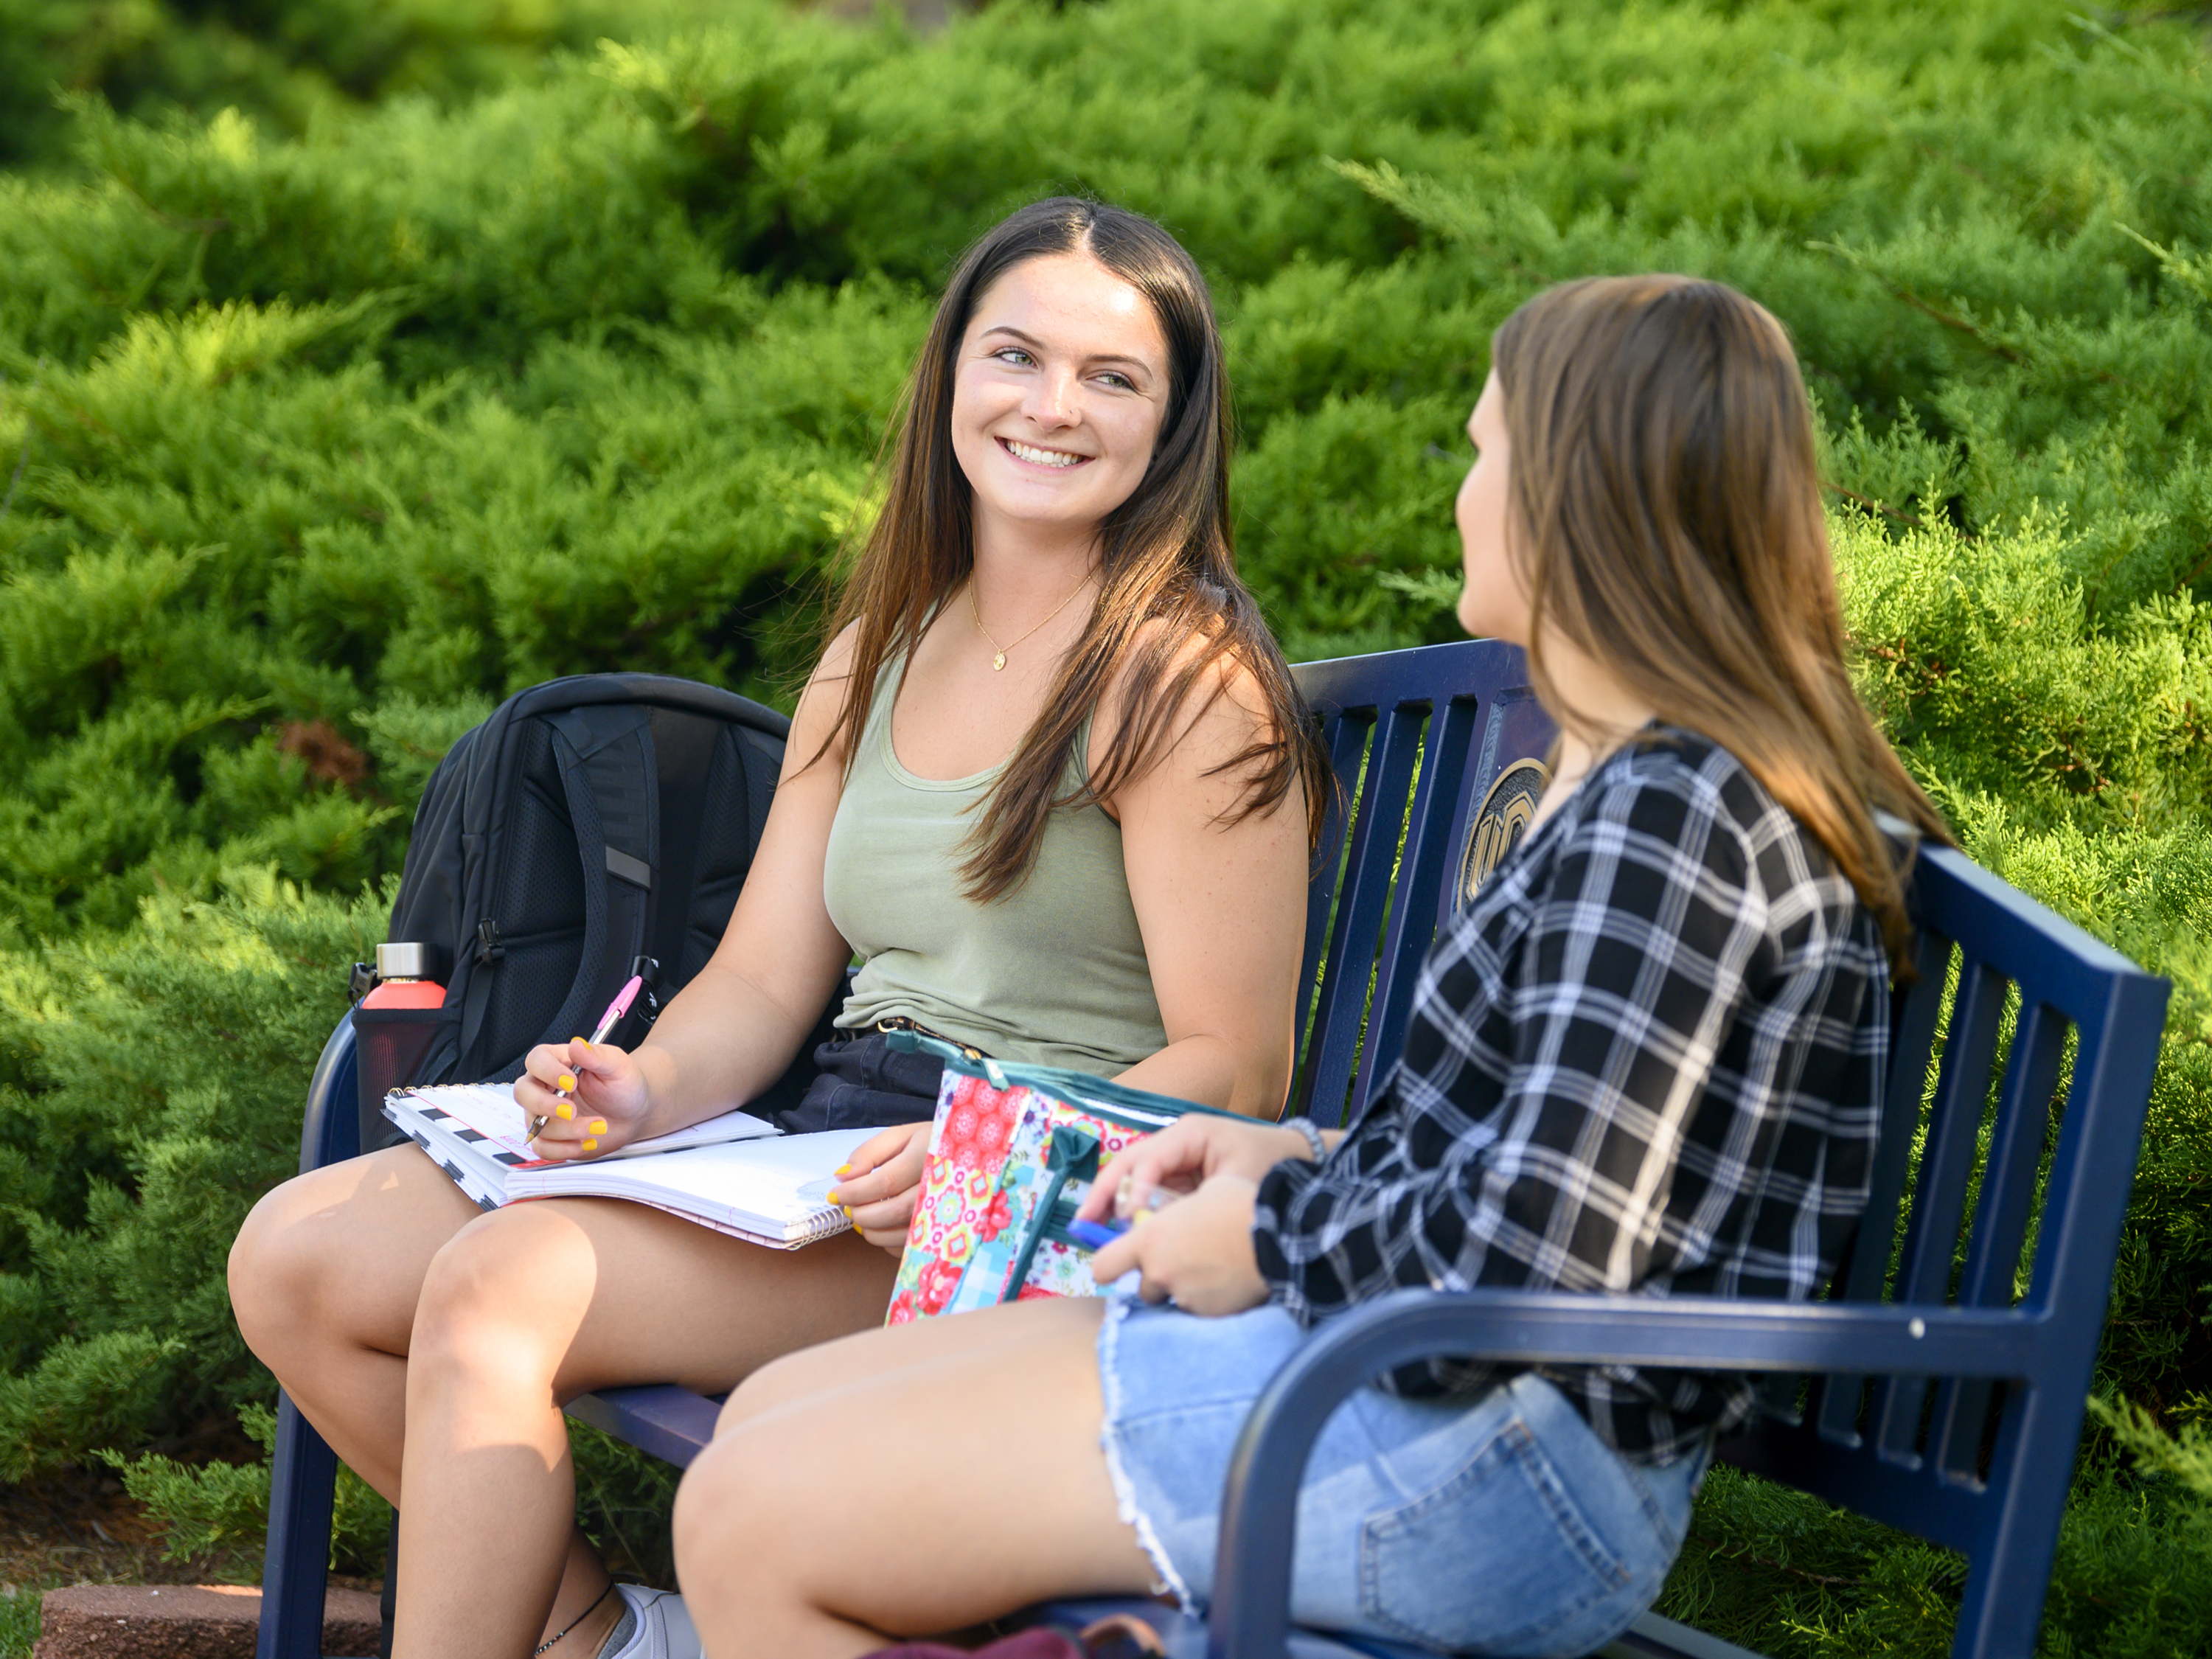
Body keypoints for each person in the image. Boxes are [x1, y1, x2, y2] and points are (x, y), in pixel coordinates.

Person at [666, 273, 1953, 1659]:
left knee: (758, 1509)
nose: (1463, 491)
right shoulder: (1658, 791)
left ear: (1576, 503)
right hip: (1442, 1401)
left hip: (1499, 1463)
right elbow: (1541, 1178)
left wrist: (1268, 1240)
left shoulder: (1676, 819)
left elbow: (1545, 1251)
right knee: (777, 1419)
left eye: (1484, 451)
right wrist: (1287, 1161)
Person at [227, 198, 1326, 1659]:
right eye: (1017, 357)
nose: (1054, 407)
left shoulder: (1181, 682)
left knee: (503, 1286)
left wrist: (995, 1144)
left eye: (1112, 378)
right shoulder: (878, 652)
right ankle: (602, 1638)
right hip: (827, 1149)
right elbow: (760, 978)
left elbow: (1238, 1068)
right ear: (949, 378)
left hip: (1014, 1189)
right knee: (295, 1258)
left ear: (1173, 420)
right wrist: (647, 1090)